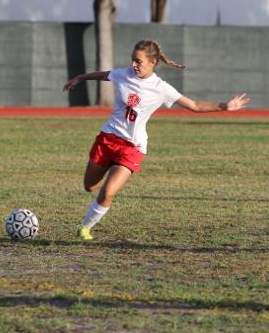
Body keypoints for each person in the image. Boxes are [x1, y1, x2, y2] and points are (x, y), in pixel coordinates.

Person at [63, 39, 250, 241]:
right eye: (132, 60)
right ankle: (100, 184)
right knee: (89, 186)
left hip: (132, 147)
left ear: (152, 62)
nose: (133, 65)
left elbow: (194, 105)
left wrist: (225, 106)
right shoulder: (123, 74)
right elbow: (103, 75)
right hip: (107, 139)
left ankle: (85, 227)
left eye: (138, 61)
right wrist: (81, 78)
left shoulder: (161, 88)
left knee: (107, 192)